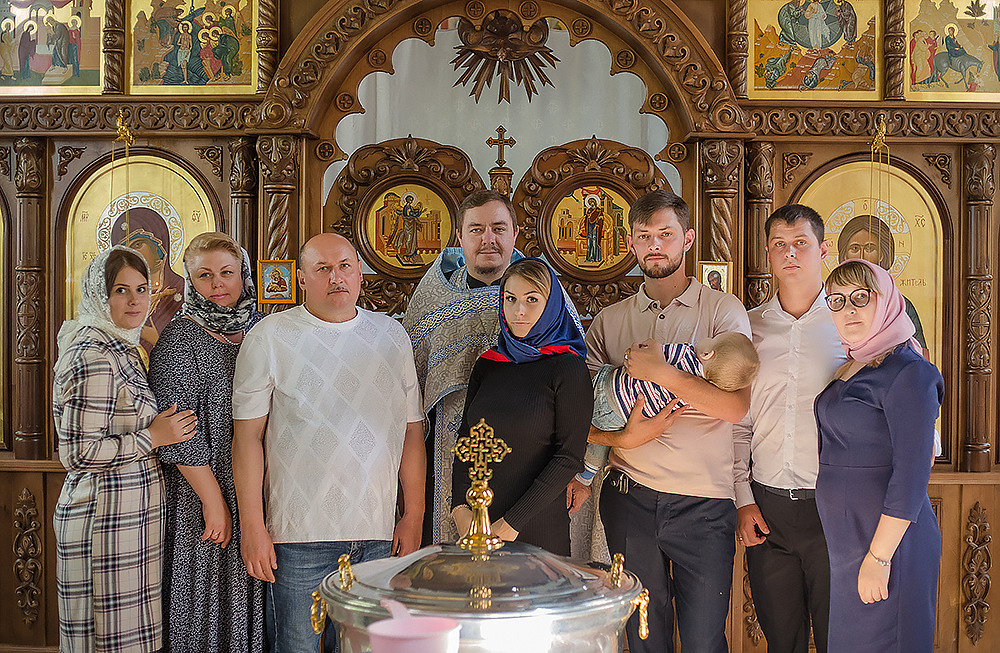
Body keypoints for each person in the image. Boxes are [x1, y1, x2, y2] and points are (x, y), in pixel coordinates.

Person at [232, 233, 425, 653]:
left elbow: (411, 432)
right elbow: (247, 438)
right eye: (322, 269)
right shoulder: (270, 337)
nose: (336, 277)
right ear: (302, 278)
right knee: (297, 646)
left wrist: (413, 516)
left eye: (344, 266)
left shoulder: (392, 335)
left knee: (367, 649)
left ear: (359, 272)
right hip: (299, 536)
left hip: (377, 533)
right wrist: (253, 525)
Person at [579, 189, 751, 653]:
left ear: (688, 239)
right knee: (643, 637)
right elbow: (581, 413)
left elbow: (735, 407)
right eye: (644, 236)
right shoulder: (610, 322)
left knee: (702, 640)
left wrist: (662, 374)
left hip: (704, 503)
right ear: (631, 244)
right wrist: (626, 436)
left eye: (666, 235)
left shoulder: (722, 310)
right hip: (630, 497)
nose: (655, 245)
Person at [52, 245, 197, 652]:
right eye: (120, 290)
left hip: (126, 521)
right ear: (101, 294)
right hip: (103, 520)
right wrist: (156, 437)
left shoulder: (119, 346)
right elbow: (78, 453)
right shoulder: (94, 354)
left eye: (141, 288)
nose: (135, 300)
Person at [733, 204, 848, 653]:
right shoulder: (749, 327)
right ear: (767, 254)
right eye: (779, 245)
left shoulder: (850, 325)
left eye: (801, 243)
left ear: (823, 250)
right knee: (782, 640)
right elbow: (739, 423)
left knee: (840, 637)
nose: (790, 253)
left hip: (834, 509)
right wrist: (744, 500)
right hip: (769, 509)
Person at [815, 258, 942, 652]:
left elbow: (911, 477)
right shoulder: (851, 366)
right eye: (836, 300)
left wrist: (880, 558)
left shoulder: (909, 372)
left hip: (889, 546)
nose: (848, 309)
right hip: (849, 544)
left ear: (885, 301)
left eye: (860, 297)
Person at [148, 232, 265, 653]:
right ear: (190, 282)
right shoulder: (179, 338)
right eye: (204, 275)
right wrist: (213, 501)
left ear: (243, 276)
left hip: (255, 486)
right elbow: (178, 430)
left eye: (227, 273)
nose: (218, 284)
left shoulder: (262, 329)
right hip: (204, 490)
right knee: (206, 598)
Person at [403, 189, 522, 544]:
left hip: (526, 446)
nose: (489, 239)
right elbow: (407, 384)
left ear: (515, 234)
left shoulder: (544, 293)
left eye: (499, 228)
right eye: (477, 229)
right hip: (450, 445)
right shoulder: (433, 296)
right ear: (459, 237)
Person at [451, 258, 591, 555]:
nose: (519, 311)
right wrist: (460, 510)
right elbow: (466, 441)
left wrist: (510, 524)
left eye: (532, 299)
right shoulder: (488, 366)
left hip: (536, 529)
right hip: (478, 529)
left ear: (551, 304)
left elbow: (568, 456)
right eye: (510, 299)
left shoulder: (568, 368)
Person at [580, 332, 758, 484]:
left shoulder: (683, 354)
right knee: (603, 436)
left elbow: (651, 350)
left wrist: (649, 345)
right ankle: (588, 472)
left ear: (707, 354)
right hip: (620, 418)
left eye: (713, 337)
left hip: (609, 392)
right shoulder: (693, 394)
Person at [836, 215, 927, 352]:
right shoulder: (833, 303)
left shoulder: (899, 304)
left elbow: (921, 359)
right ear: (844, 256)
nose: (861, 256)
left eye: (869, 248)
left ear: (881, 255)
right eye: (854, 248)